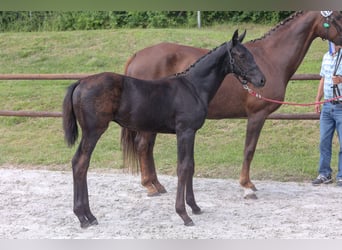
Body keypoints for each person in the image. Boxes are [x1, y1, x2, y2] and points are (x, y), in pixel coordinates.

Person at [312, 41, 342, 186]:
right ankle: (325, 173)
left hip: (341, 106)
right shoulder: (326, 57)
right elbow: (323, 78)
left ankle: (341, 175)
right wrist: (318, 99)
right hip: (327, 105)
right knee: (324, 141)